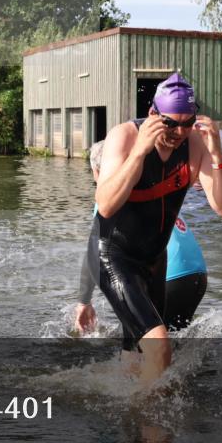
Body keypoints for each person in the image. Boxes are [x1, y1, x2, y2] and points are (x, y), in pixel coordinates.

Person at [91, 72, 222, 385]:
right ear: (154, 114)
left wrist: (217, 154)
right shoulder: (125, 136)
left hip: (156, 262)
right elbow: (104, 204)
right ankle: (153, 430)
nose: (179, 132)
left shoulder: (195, 144)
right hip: (115, 258)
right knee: (160, 348)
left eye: (188, 122)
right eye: (171, 123)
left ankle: (127, 419)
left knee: (137, 355)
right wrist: (140, 152)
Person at [76, 143, 208, 334]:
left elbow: (94, 252)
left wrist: (84, 301)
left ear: (98, 171)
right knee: (172, 343)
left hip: (169, 275)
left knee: (142, 343)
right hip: (197, 273)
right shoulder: (154, 190)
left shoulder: (110, 202)